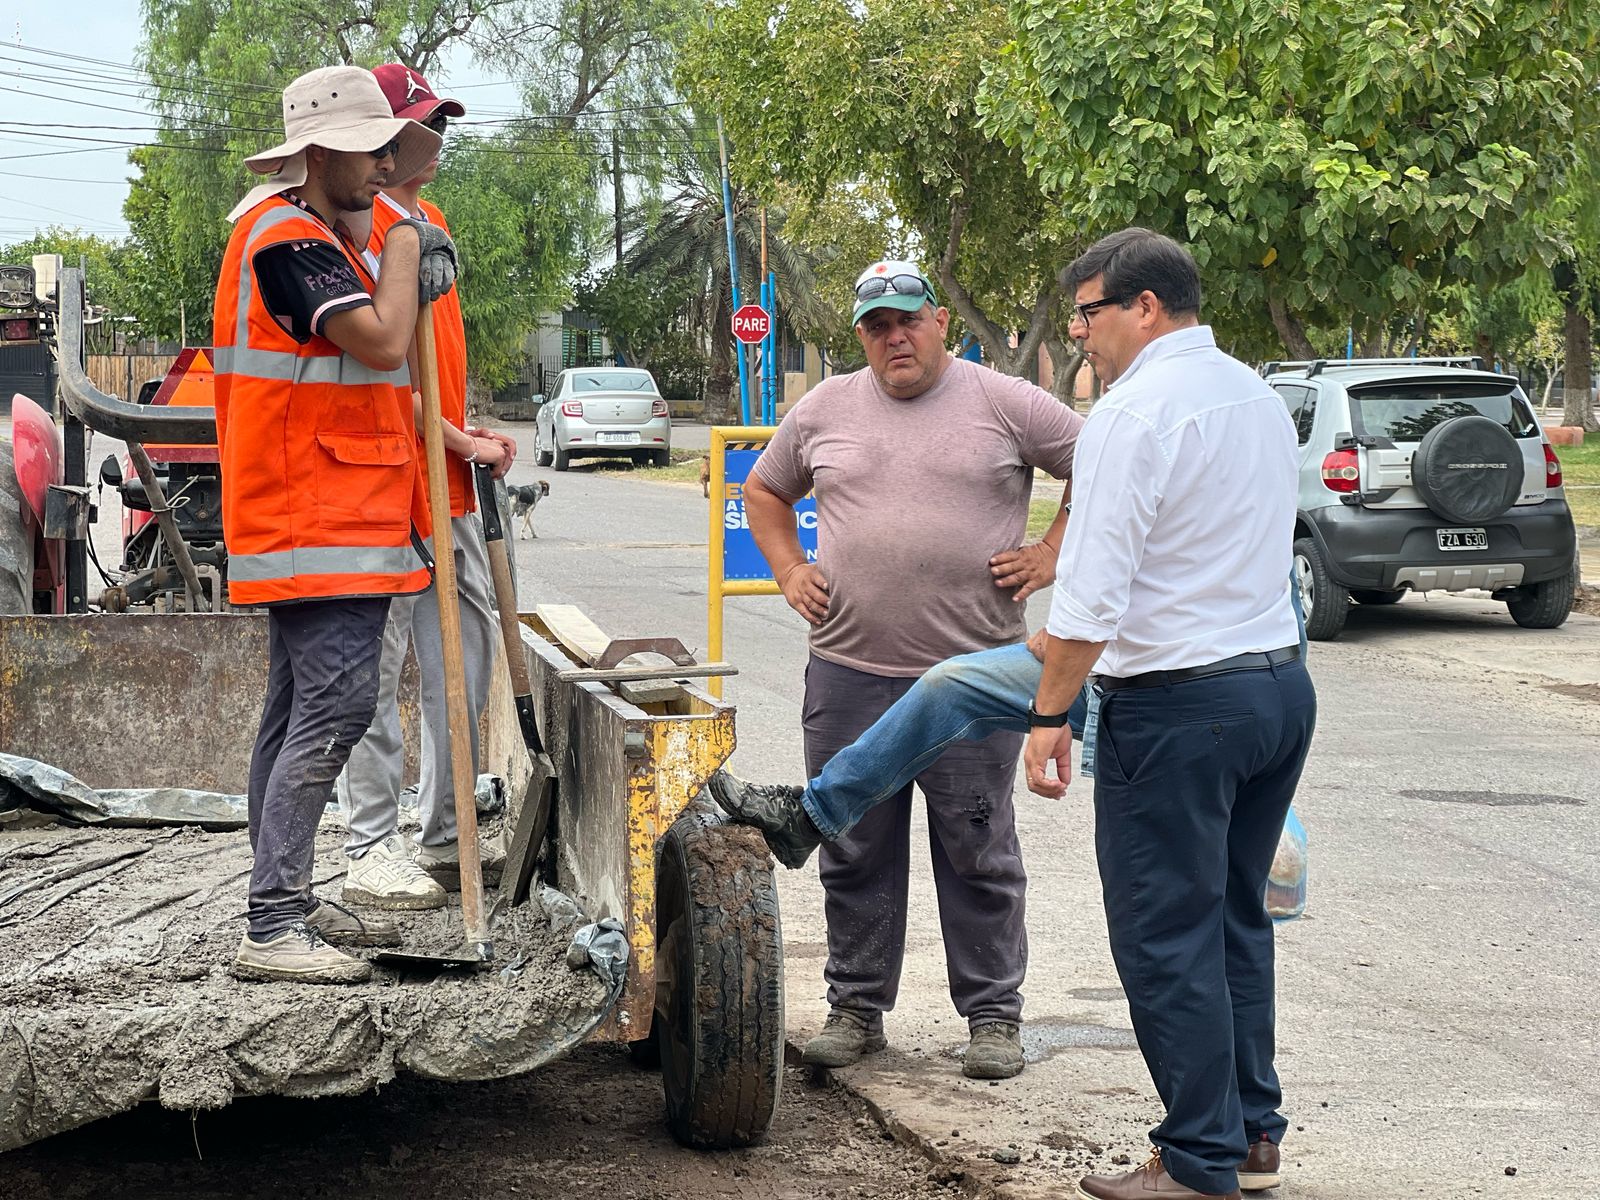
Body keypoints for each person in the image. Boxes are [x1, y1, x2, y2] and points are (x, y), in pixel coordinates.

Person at [713, 228, 1315, 1198]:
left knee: (1167, 934)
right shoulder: (1253, 397)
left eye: (1087, 315)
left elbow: (1090, 587)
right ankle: (1252, 1132)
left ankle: (1199, 1158)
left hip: (1158, 694)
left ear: (1142, 308)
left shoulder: (1128, 414)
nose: (1081, 337)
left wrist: (1048, 714)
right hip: (1267, 684)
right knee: (1228, 911)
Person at [738, 259, 1083, 1081]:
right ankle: (857, 1010)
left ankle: (994, 1017)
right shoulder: (824, 408)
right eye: (876, 325)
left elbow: (1106, 464)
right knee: (852, 845)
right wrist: (788, 570)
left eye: (907, 319)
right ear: (861, 334)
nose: (895, 336)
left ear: (938, 320)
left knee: (977, 846)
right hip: (851, 672)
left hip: (972, 684)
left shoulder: (1002, 400)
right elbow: (763, 491)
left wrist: (1051, 554)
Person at [214, 65, 456, 983]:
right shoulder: (289, 239)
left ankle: (280, 902)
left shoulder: (312, 233)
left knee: (293, 715)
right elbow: (386, 342)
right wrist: (405, 248)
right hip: (317, 518)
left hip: (329, 514)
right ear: (317, 154)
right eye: (368, 151)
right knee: (334, 709)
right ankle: (272, 926)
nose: (384, 164)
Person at [331, 64, 516, 909]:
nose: (437, 139)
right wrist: (454, 434)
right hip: (379, 483)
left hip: (447, 489)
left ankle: (447, 830)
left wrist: (465, 433)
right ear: (379, 134)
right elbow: (369, 364)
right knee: (375, 670)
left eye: (442, 122)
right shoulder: (349, 231)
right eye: (423, 123)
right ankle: (371, 841)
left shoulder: (429, 221)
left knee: (465, 656)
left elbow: (433, 360)